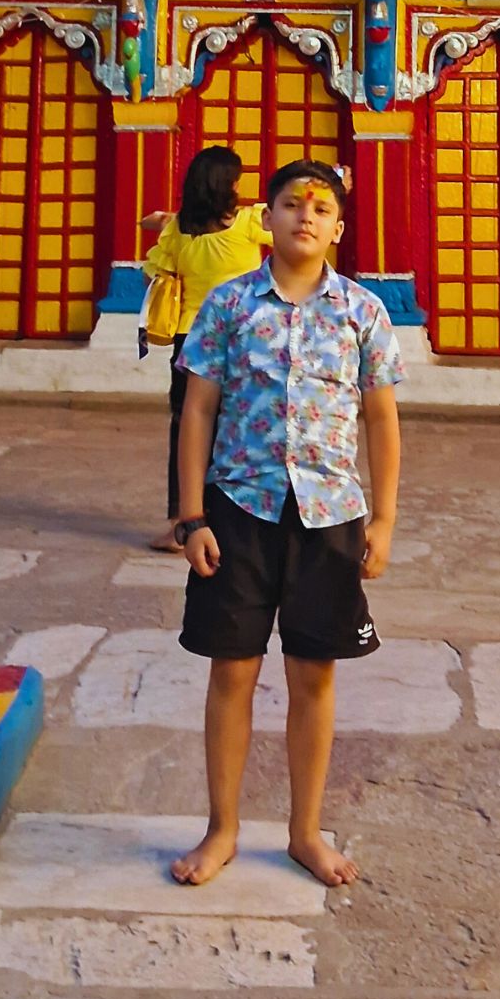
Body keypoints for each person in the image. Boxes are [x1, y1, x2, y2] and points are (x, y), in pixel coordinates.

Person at [169, 157, 404, 890]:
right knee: (232, 672)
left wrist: (386, 520)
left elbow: (381, 419)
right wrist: (190, 517)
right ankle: (223, 828)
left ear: (338, 226)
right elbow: (198, 408)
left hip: (329, 516)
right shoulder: (230, 308)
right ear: (262, 219)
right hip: (240, 511)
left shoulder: (363, 312)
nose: (307, 215)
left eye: (322, 206)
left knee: (314, 677)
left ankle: (305, 831)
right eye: (291, 203)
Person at [141, 146, 271, 552]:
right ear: (228, 186)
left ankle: (184, 522)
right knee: (246, 426)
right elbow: (288, 223)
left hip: (190, 339)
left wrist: (165, 220)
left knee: (187, 428)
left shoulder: (178, 229)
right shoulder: (251, 222)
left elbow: (154, 257)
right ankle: (243, 519)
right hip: (243, 336)